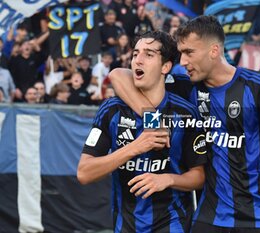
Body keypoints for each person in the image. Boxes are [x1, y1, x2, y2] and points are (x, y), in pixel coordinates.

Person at [109, 15, 260, 233]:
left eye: (189, 52)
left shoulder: (259, 87)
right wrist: (152, 120)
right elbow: (118, 75)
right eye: (181, 53)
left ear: (214, 51)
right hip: (209, 218)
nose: (182, 61)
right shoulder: (186, 86)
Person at [77, 30, 207, 233]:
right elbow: (84, 173)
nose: (138, 60)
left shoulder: (185, 112)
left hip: (173, 223)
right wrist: (135, 147)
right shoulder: (111, 110)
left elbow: (200, 176)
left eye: (148, 54)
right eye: (135, 54)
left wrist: (168, 179)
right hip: (125, 225)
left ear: (165, 66)